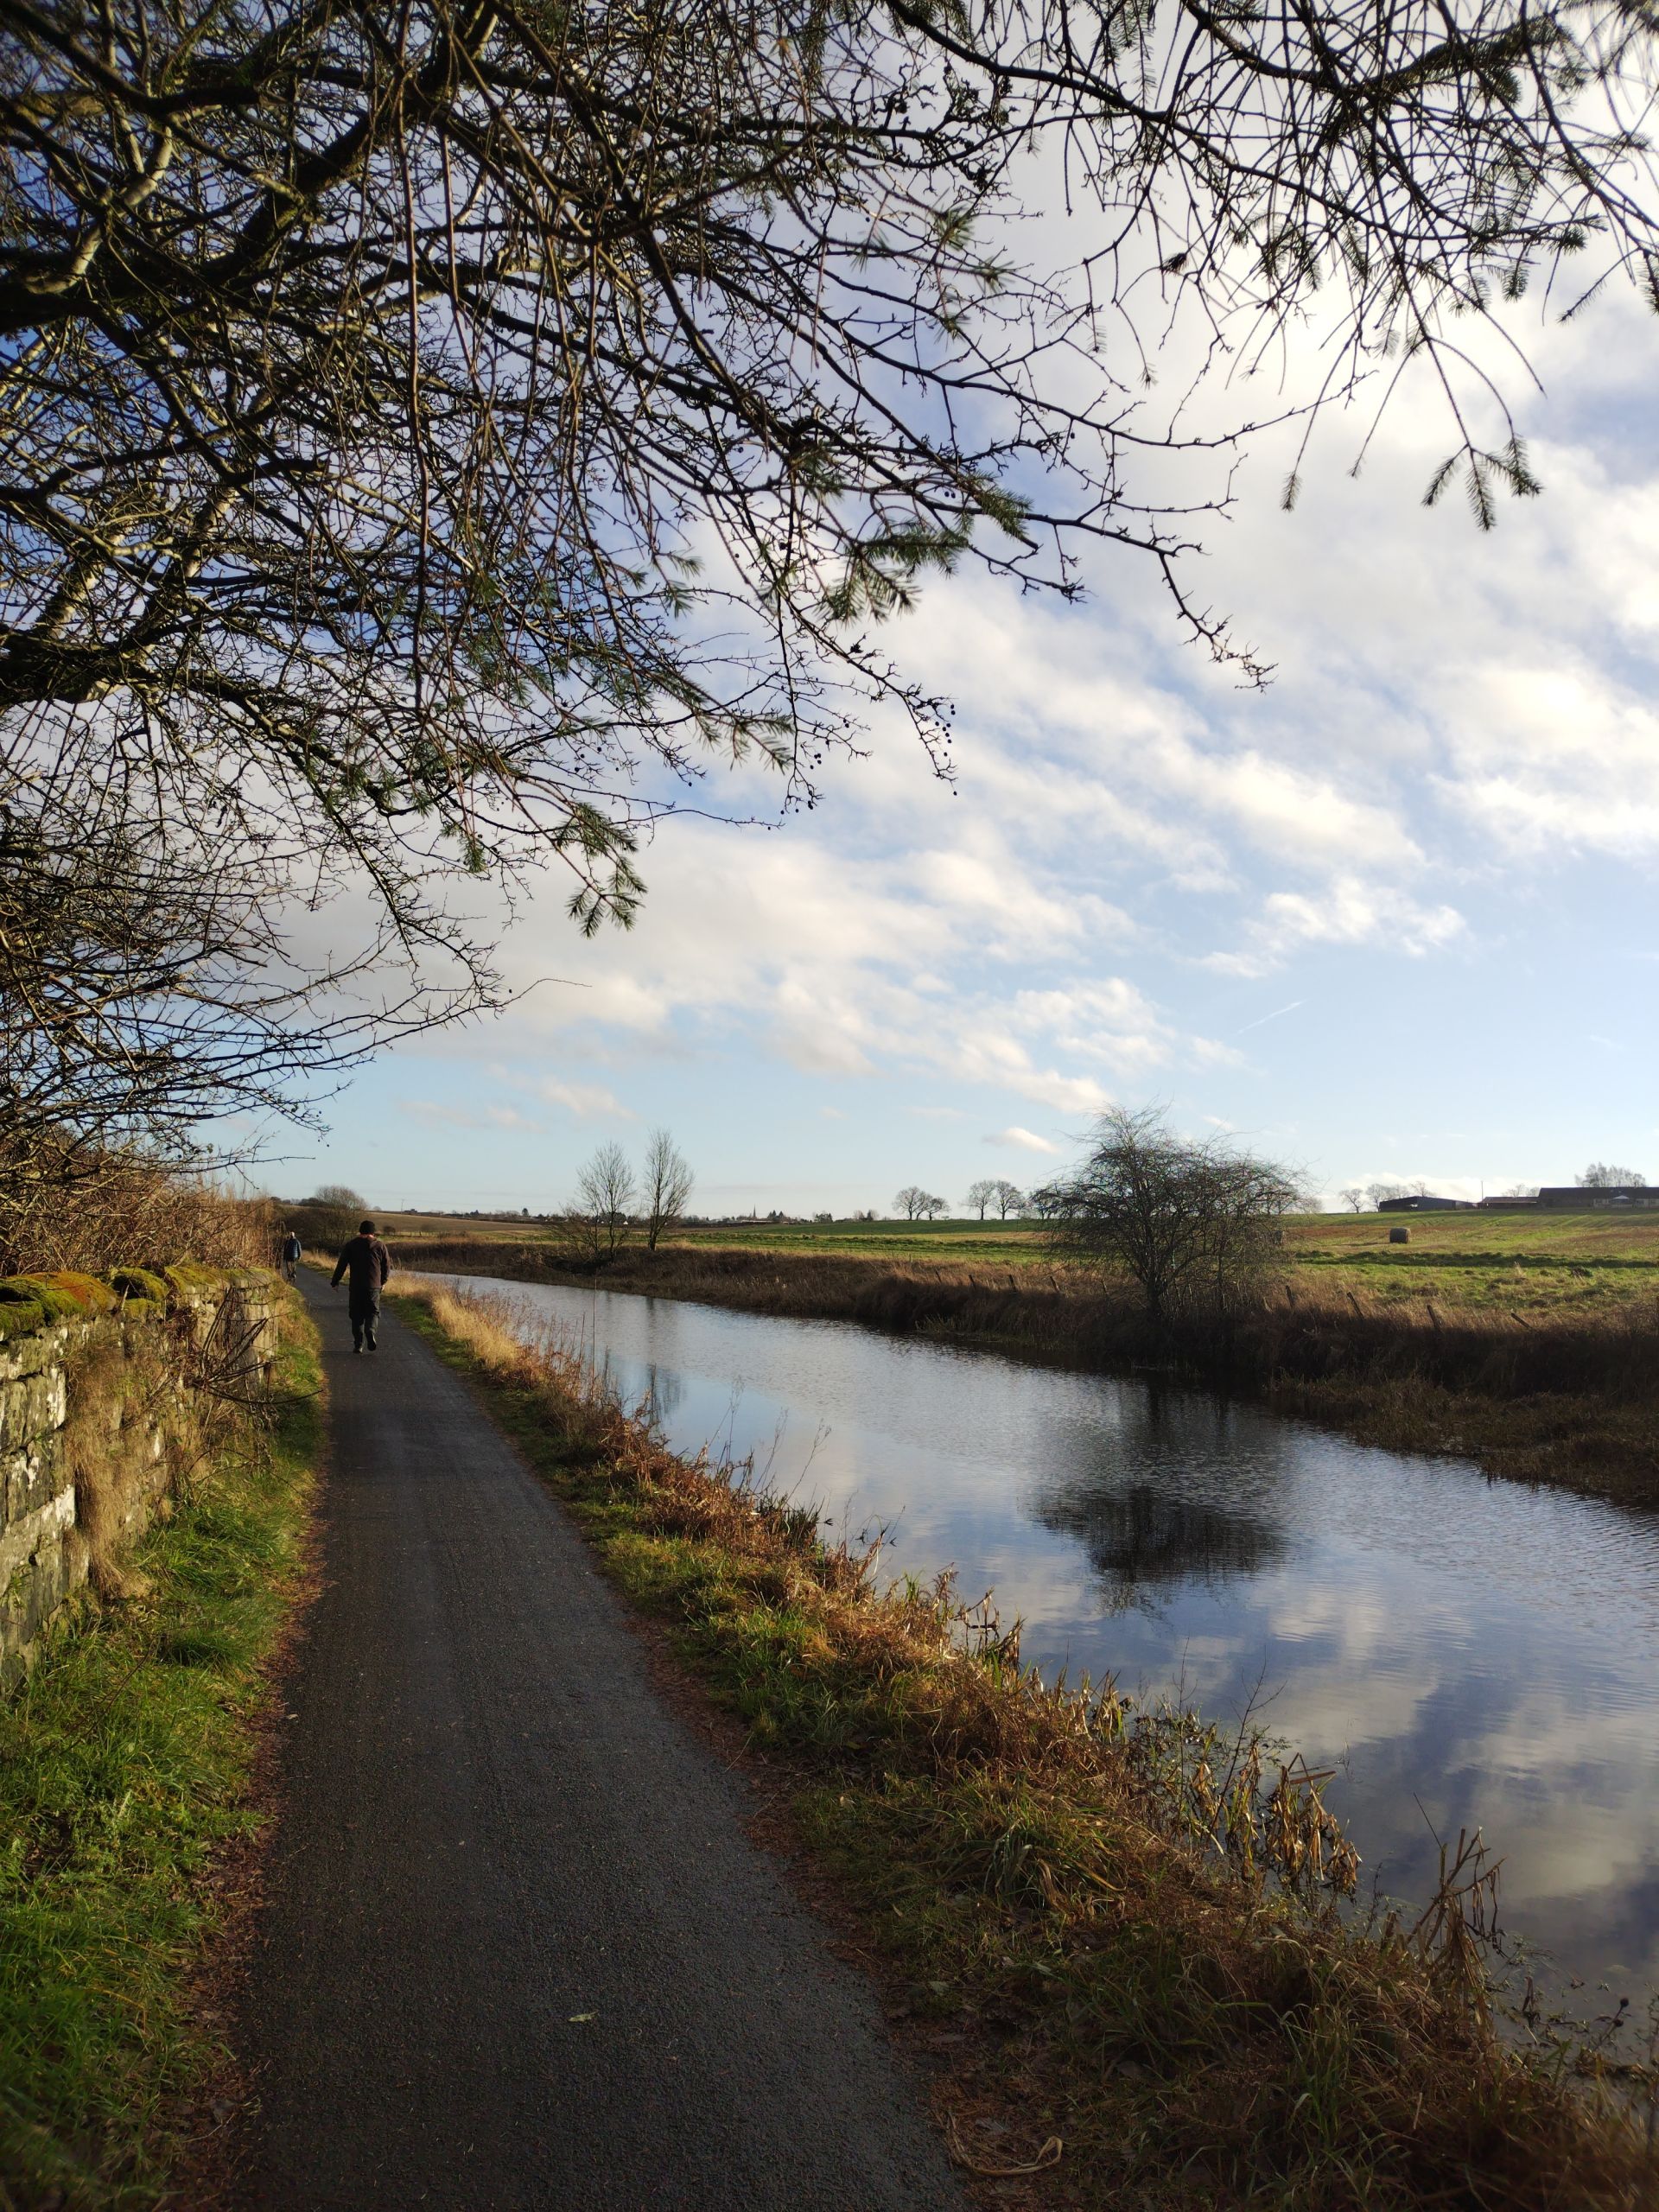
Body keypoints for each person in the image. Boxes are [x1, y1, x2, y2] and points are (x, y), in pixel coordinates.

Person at [331, 1218, 391, 1353]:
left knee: (356, 1315)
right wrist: (383, 1281)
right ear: (373, 1233)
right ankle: (370, 1331)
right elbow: (387, 1266)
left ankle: (358, 1344)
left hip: (356, 1287)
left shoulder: (351, 1245)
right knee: (373, 1312)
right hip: (373, 1286)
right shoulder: (380, 1246)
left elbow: (341, 1265)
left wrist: (335, 1282)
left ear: (360, 1231)